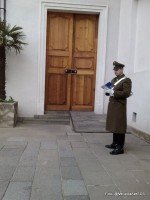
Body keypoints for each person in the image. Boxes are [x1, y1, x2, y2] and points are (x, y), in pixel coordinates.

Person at [105, 61, 132, 155]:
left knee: (119, 126)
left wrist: (114, 93)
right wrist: (107, 90)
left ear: (121, 69)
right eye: (114, 70)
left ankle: (120, 147)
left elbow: (126, 93)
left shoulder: (126, 80)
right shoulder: (114, 80)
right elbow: (109, 90)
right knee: (114, 125)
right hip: (112, 105)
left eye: (117, 70)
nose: (115, 71)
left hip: (119, 106)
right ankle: (114, 143)